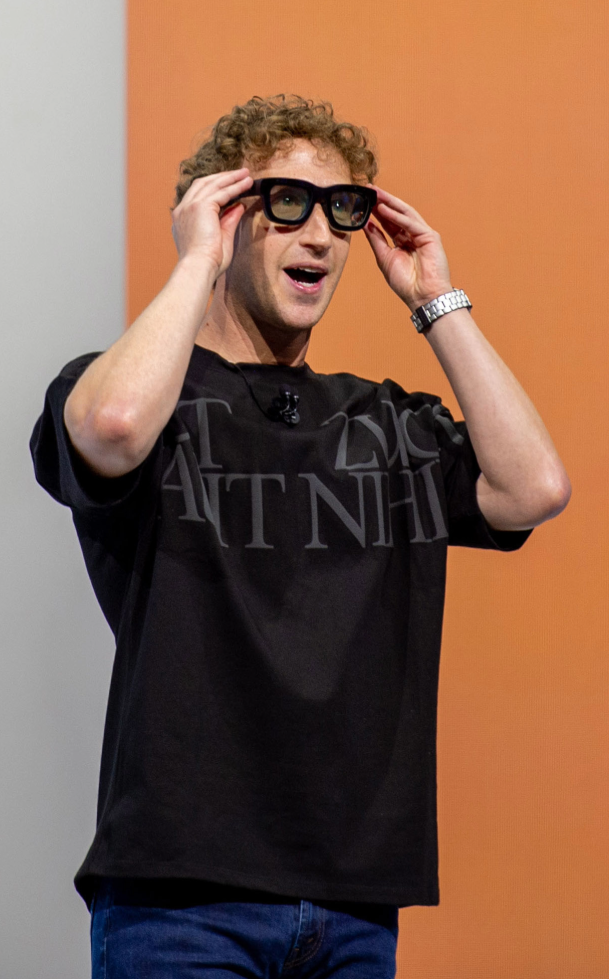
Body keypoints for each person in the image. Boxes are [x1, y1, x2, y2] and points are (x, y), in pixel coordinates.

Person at [31, 95, 570, 976]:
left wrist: (437, 298)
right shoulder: (135, 397)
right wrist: (195, 263)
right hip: (182, 899)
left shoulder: (388, 421)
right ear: (227, 212)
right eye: (287, 203)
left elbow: (533, 488)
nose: (320, 234)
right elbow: (116, 427)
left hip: (356, 901)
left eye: (344, 210)